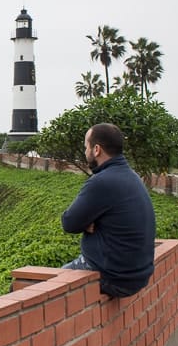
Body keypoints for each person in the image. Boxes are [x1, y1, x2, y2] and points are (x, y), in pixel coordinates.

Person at [61, 123, 156, 298]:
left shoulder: (102, 181)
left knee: (37, 288)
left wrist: (88, 222)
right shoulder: (132, 177)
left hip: (113, 278)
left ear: (96, 149)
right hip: (137, 276)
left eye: (86, 147)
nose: (85, 152)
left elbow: (69, 222)